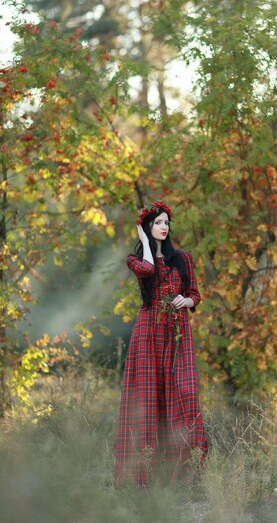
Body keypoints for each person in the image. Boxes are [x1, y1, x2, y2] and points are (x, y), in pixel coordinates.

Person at [114, 200, 208, 488]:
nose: (164, 227)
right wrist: (143, 239)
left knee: (184, 393)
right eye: (158, 222)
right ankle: (145, 476)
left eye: (167, 222)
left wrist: (186, 300)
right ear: (147, 226)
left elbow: (195, 293)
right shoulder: (134, 259)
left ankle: (187, 473)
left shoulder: (183, 258)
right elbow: (146, 270)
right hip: (149, 330)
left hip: (177, 330)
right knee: (148, 399)